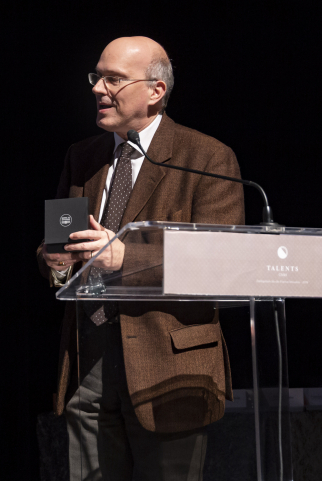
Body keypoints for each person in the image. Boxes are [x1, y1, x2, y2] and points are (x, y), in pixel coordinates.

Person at [38, 37, 245, 480]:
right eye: (97, 77)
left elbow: (223, 263)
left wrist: (126, 257)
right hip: (88, 365)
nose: (97, 89)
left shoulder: (206, 157)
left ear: (156, 91)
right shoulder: (83, 157)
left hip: (168, 371)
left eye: (113, 79)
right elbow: (58, 244)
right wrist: (56, 263)